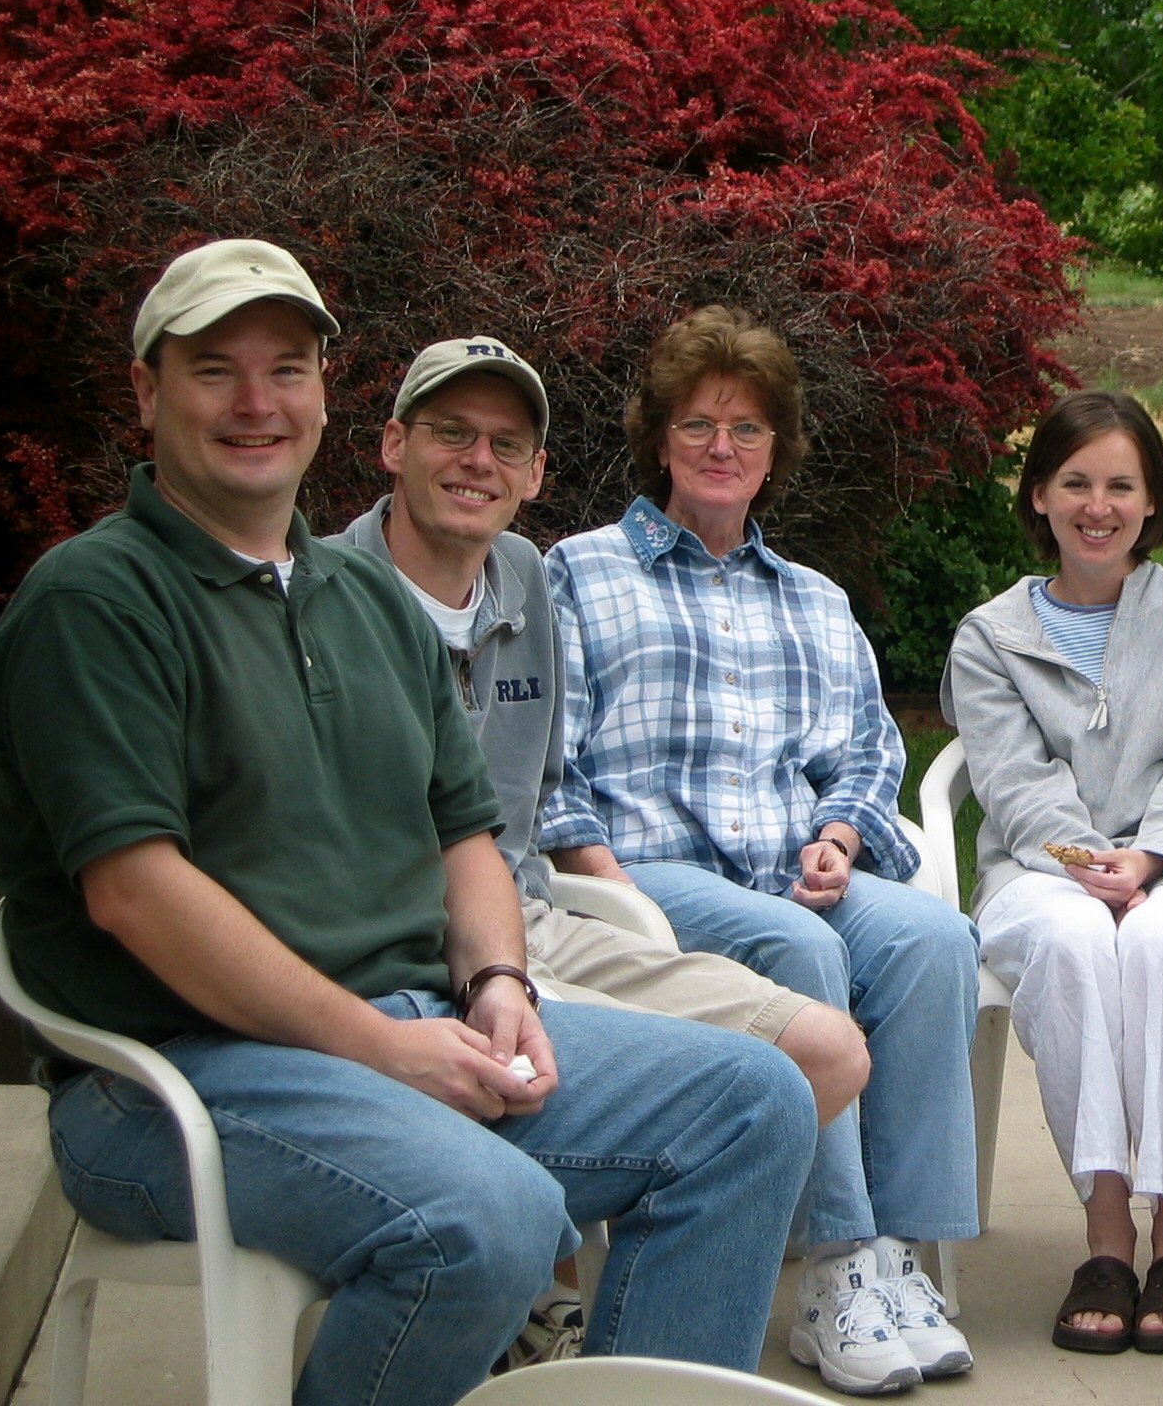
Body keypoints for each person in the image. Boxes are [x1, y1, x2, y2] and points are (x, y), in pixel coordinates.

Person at [0, 241, 818, 1406]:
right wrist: (382, 1050)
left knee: (753, 1102)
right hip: (174, 1078)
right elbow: (136, 892)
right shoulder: (95, 601)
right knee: (489, 1219)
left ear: (326, 390)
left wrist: (498, 989)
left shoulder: (362, 595)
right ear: (146, 389)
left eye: (286, 368)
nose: (257, 403)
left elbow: (464, 837)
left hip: (415, 1022)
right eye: (214, 370)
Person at [332, 335, 874, 1364]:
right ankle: (532, 1287)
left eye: (506, 444)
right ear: (392, 444)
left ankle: (603, 1338)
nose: (476, 461)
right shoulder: (323, 596)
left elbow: (526, 809)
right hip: (392, 949)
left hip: (527, 920)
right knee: (717, 1108)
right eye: (450, 433)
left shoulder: (525, 580)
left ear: (536, 473)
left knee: (823, 1055)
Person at [542, 303, 981, 1397]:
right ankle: (834, 1268)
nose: (722, 448)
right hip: (649, 878)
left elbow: (870, 755)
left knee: (933, 935)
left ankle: (900, 1258)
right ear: (659, 441)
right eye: (697, 426)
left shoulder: (815, 600)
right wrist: (601, 881)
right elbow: (546, 761)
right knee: (796, 949)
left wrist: (839, 836)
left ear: (775, 447)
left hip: (792, 870)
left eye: (746, 428)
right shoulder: (580, 574)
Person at [942, 390, 1163, 1357]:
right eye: (1076, 483)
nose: (1100, 506)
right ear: (1040, 496)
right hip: (1042, 874)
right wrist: (1093, 866)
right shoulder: (990, 635)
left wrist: (1153, 859)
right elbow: (1012, 781)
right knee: (1075, 934)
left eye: (1121, 486)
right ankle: (1105, 1237)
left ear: (1152, 502)